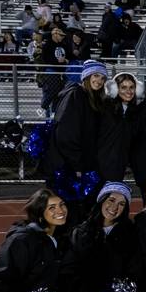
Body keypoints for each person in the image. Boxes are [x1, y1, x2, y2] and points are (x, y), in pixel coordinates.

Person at [42, 61, 108, 220]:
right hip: (70, 168)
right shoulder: (76, 95)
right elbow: (66, 135)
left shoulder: (88, 97)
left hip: (78, 165)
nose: (99, 81)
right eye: (96, 75)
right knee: (70, 214)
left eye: (102, 78)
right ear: (86, 76)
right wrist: (77, 166)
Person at [98, 72, 143, 183]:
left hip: (119, 166)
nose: (129, 91)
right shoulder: (104, 107)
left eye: (132, 87)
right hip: (99, 164)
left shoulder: (135, 112)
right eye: (123, 87)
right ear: (114, 89)